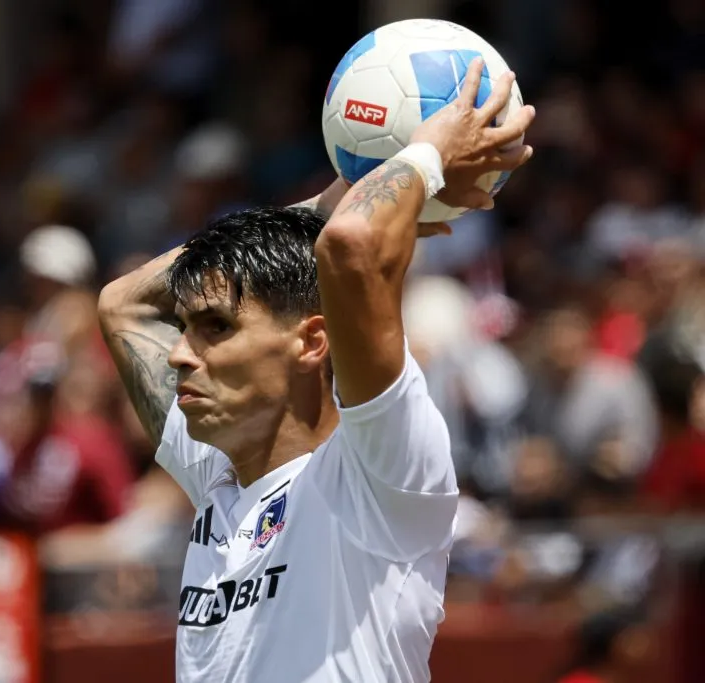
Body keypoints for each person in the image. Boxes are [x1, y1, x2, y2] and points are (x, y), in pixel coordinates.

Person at [98, 57, 534, 683]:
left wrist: (422, 156)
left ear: (311, 343)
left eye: (217, 328)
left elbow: (350, 244)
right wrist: (336, 195)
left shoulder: (378, 472)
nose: (179, 353)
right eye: (187, 329)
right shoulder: (217, 474)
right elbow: (123, 305)